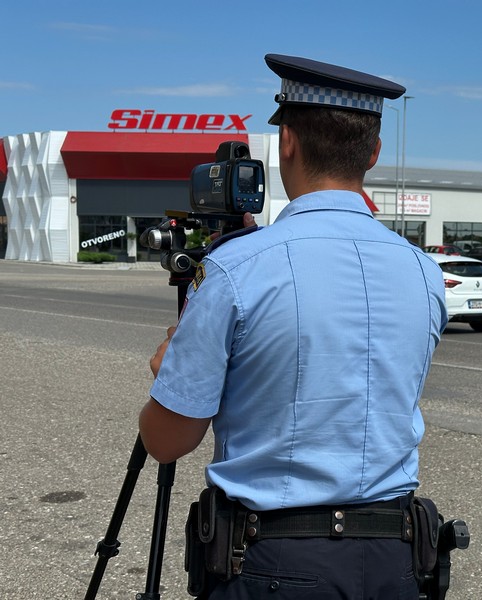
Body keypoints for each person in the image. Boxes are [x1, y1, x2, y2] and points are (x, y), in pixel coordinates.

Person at [139, 53, 448, 599]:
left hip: (271, 562)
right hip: (395, 561)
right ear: (372, 153)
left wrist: (171, 374)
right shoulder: (423, 272)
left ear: (287, 143)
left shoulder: (237, 269)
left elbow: (166, 442)